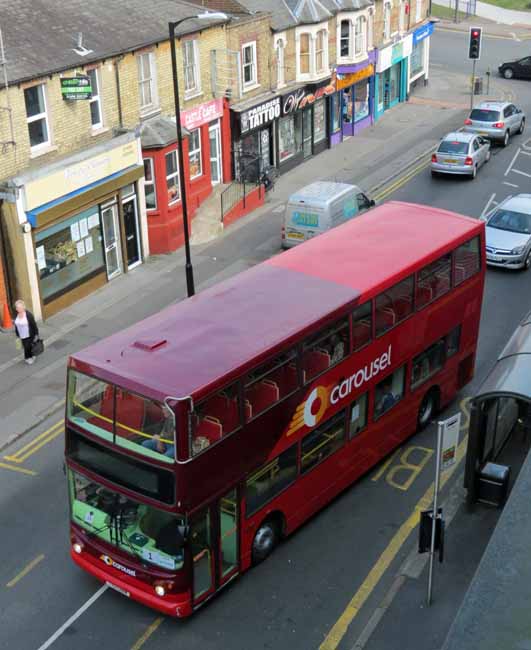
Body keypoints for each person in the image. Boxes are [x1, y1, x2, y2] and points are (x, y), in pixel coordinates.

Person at [13, 299, 39, 365]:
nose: (17, 309)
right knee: (27, 346)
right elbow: (16, 325)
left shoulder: (28, 315)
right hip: (21, 335)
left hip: (29, 334)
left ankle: (28, 358)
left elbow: (34, 325)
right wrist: (17, 334)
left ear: (23, 307)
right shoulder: (16, 315)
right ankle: (32, 355)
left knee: (27, 346)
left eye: (18, 307)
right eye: (16, 307)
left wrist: (36, 334)